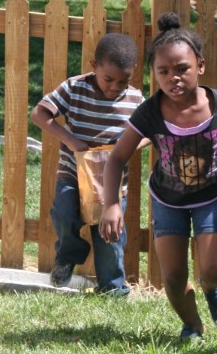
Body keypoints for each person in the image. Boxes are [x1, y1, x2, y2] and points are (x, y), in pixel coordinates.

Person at [99, 12, 217, 339]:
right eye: (163, 72)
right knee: (172, 277)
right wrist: (111, 204)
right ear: (154, 74)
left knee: (215, 270)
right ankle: (192, 324)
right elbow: (117, 158)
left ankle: (212, 289)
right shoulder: (150, 112)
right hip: (167, 201)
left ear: (201, 66)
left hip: (211, 198)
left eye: (182, 69)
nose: (174, 78)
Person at [31, 33, 144, 295]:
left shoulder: (135, 99)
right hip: (73, 173)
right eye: (108, 79)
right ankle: (68, 257)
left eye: (123, 81)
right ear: (94, 66)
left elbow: (152, 130)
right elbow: (39, 114)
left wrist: (129, 146)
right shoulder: (74, 88)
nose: (115, 87)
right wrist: (70, 140)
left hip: (111, 183)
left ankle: (112, 289)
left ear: (134, 71)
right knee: (64, 214)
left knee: (110, 235)